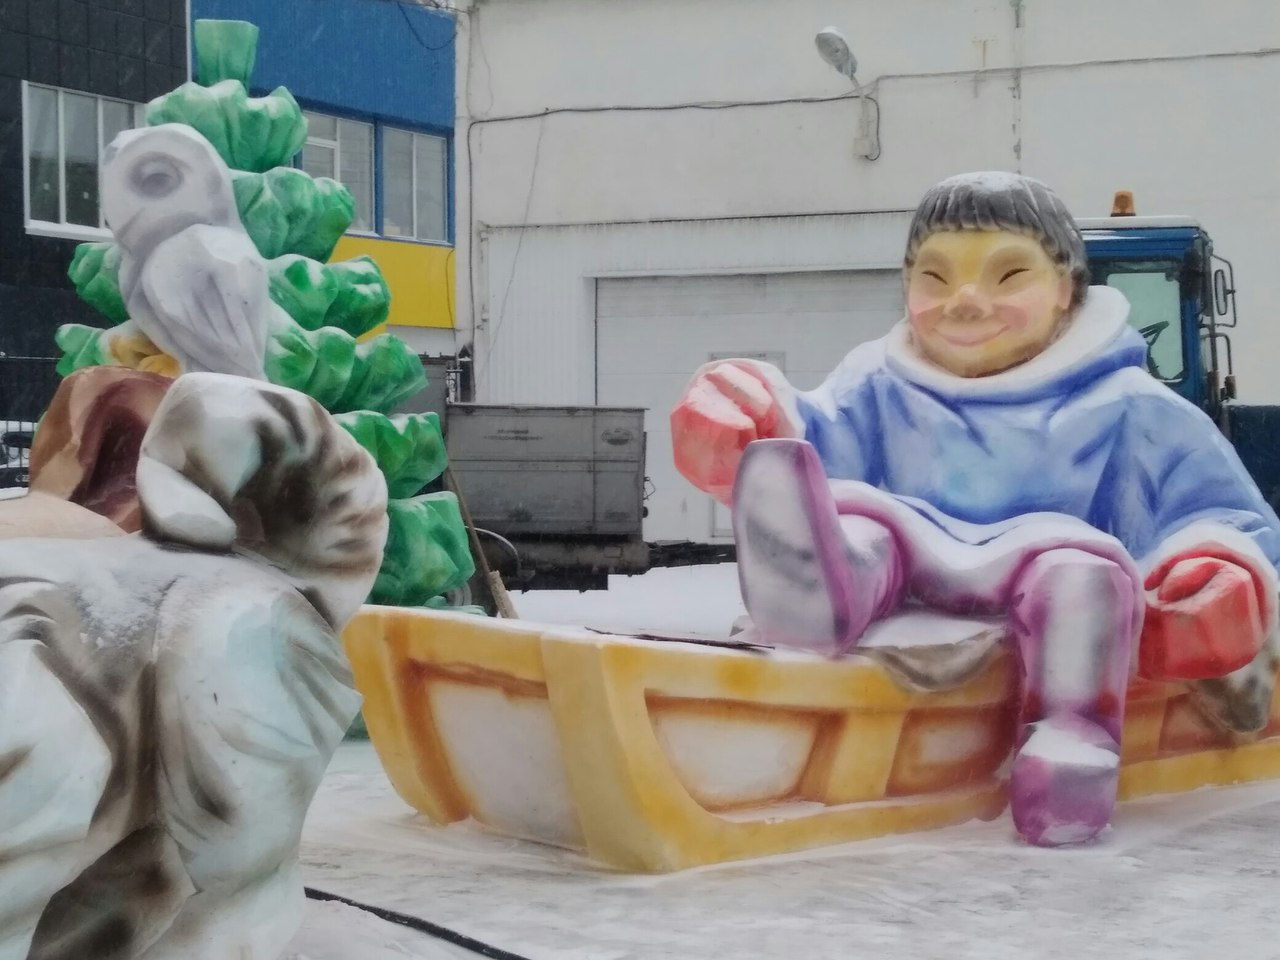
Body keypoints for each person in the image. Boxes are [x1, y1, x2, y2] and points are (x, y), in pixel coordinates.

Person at [670, 172, 1280, 846]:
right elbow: (819, 428)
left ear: (1066, 289)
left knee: (1082, 583)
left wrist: (1213, 568)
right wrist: (751, 415)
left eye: (1007, 275)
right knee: (860, 524)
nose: (964, 300)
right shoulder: (878, 381)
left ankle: (1073, 736)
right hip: (907, 549)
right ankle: (816, 596)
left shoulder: (1127, 404)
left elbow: (1217, 508)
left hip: (1047, 565)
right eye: (934, 277)